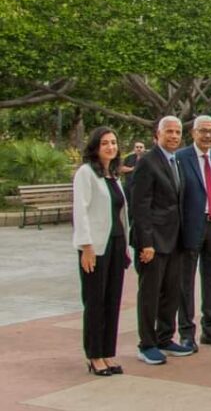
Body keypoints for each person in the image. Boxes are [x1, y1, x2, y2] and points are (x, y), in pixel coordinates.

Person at [131, 115, 192, 365]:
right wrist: (146, 242)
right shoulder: (147, 162)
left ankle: (165, 337)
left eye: (178, 132)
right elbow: (140, 205)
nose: (174, 136)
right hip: (153, 242)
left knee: (172, 292)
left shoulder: (176, 161)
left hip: (175, 239)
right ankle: (147, 344)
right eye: (169, 131)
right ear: (157, 134)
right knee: (150, 294)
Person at [73, 126, 130, 377]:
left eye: (114, 142)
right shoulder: (86, 173)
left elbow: (120, 214)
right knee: (95, 301)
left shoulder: (112, 176)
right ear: (95, 147)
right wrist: (86, 246)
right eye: (105, 143)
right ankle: (94, 355)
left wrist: (125, 247)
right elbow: (81, 211)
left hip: (116, 244)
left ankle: (107, 352)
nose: (110, 147)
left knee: (112, 300)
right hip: (95, 247)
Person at [175, 115, 211, 351]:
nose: (208, 135)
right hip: (190, 227)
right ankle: (187, 333)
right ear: (193, 133)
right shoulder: (181, 157)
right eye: (203, 131)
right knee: (185, 282)